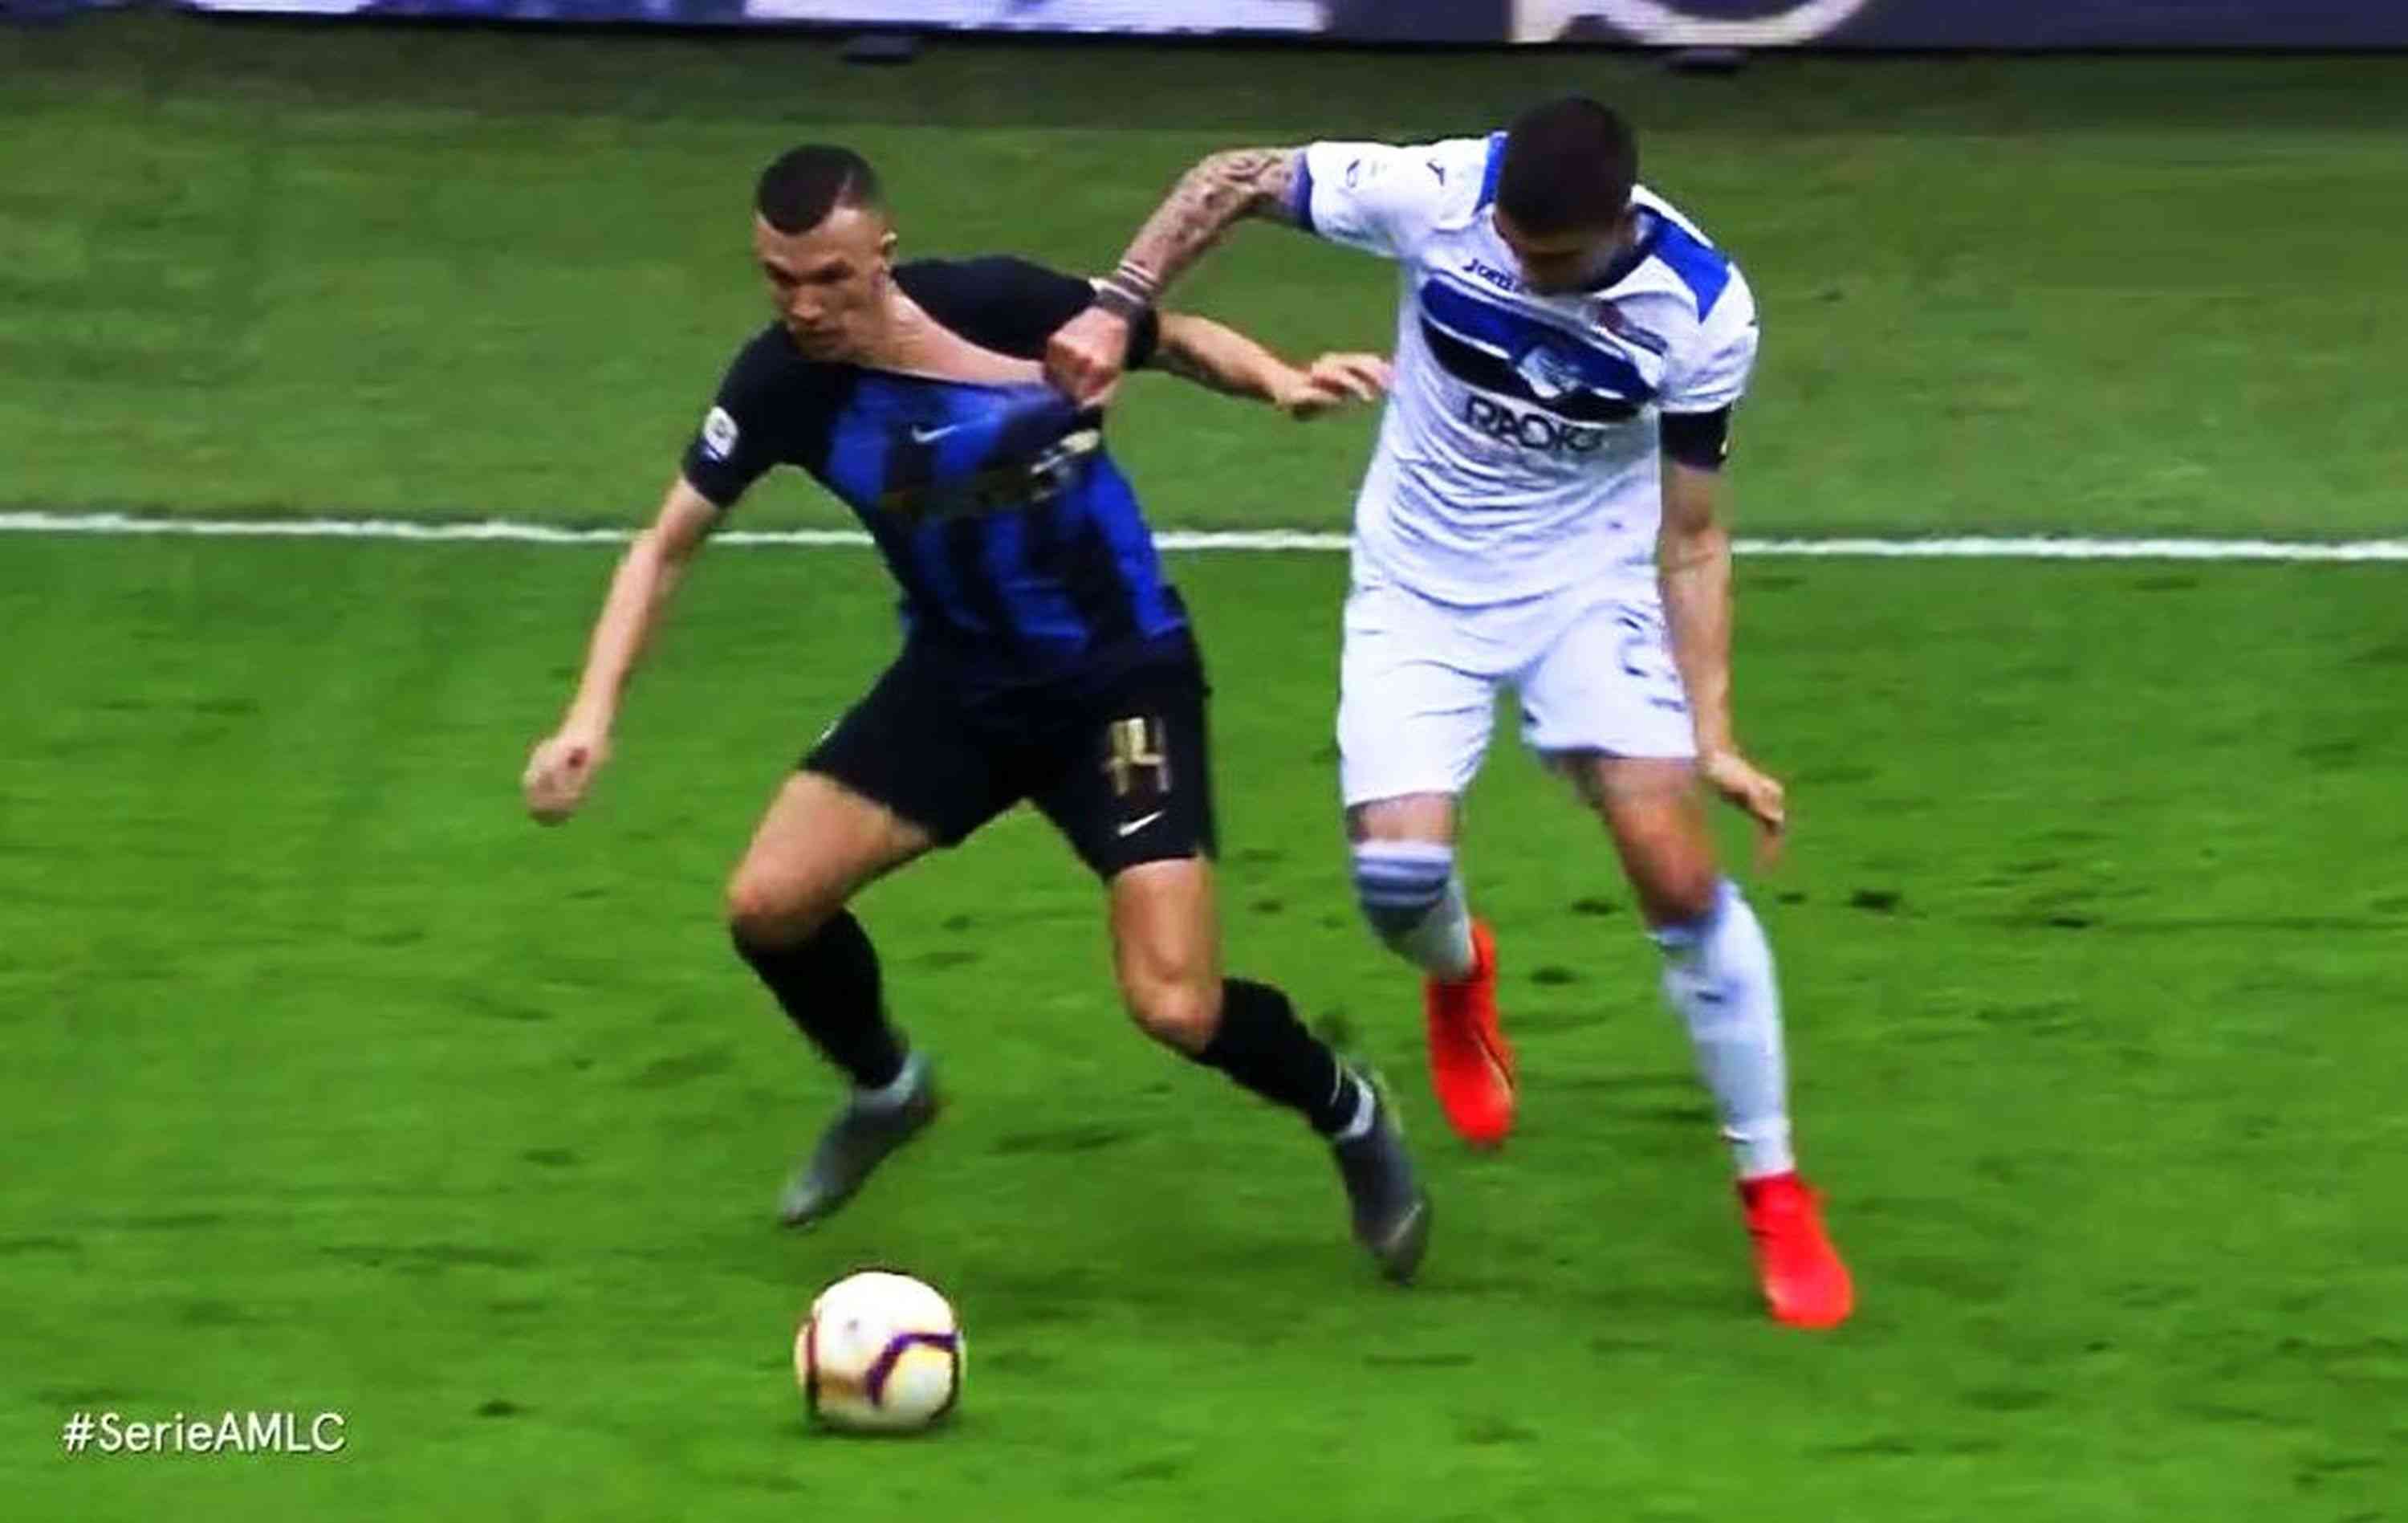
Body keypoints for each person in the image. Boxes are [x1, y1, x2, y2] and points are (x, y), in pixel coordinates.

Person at [521, 144, 1428, 1282]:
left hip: (1119, 681)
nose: (806, 307)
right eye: (780, 280)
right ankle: (887, 1087)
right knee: (768, 906)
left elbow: (1168, 337)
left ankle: (1347, 1110)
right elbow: (664, 548)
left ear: (882, 255)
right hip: (959, 686)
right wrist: (589, 716)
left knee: (1174, 1003)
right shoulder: (780, 387)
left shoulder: (995, 304)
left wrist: (1279, 380)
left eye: (831, 279)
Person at [1045, 97, 1852, 1326]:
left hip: (1585, 586)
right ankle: (1460, 973)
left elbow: (1692, 536)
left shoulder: (1701, 311)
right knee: (1397, 883)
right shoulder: (1438, 194)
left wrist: (1716, 731)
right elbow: (1236, 174)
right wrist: (1118, 301)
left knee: (1677, 873)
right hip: (1419, 585)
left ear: (1618, 223)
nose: (1522, 268)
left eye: (1550, 258)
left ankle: (1774, 1188)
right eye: (1510, 246)